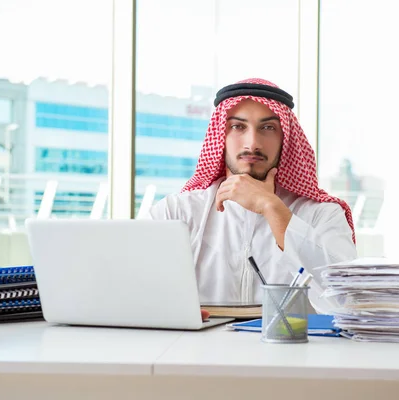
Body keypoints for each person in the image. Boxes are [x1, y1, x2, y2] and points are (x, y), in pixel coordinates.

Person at [150, 78, 357, 312]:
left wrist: (271, 207)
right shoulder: (177, 212)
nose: (252, 143)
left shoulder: (322, 214)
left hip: (293, 348)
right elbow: (141, 295)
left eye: (267, 128)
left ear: (285, 140)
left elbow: (348, 301)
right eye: (238, 127)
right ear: (221, 136)